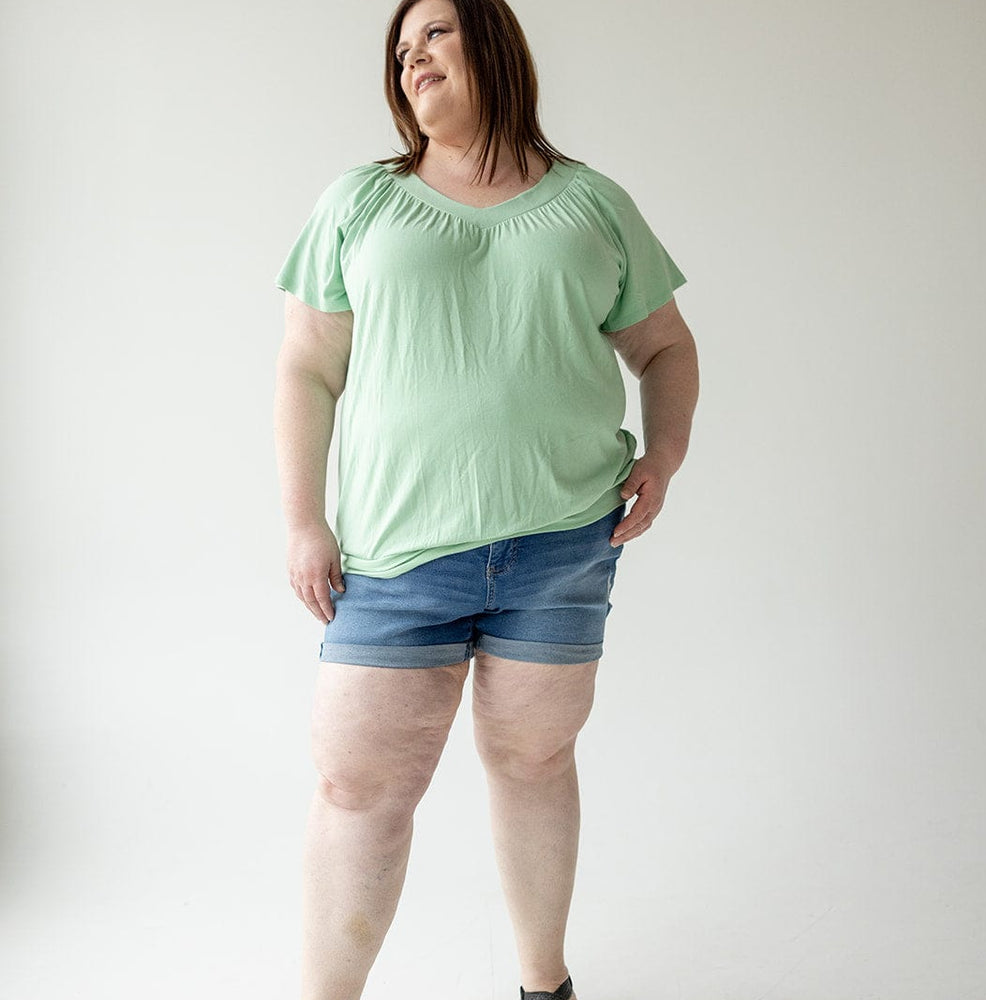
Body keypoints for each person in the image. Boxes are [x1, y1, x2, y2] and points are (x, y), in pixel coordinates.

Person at [272, 0, 699, 997]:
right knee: (356, 786)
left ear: (493, 47)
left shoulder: (592, 202)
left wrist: (665, 452)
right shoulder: (359, 203)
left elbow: (664, 344)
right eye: (401, 45)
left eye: (435, 34)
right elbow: (305, 367)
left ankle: (543, 984)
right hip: (394, 553)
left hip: (561, 544)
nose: (411, 55)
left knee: (534, 762)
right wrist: (303, 518)